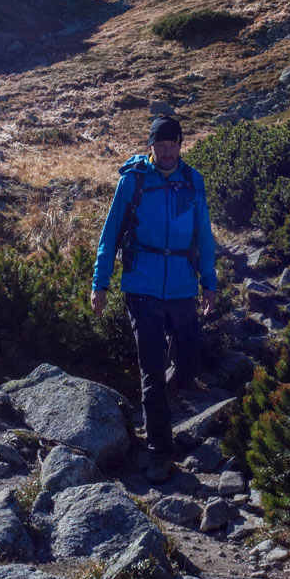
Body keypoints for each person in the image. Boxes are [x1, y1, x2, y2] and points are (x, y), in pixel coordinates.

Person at [91, 115, 217, 484]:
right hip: (141, 286)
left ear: (181, 145)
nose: (165, 153)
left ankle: (158, 406)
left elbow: (204, 236)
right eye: (159, 146)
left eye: (171, 146)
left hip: (182, 285)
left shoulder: (193, 181)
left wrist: (209, 283)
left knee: (188, 362)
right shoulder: (134, 180)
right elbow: (110, 233)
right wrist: (101, 283)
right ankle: (160, 451)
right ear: (150, 147)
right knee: (151, 367)